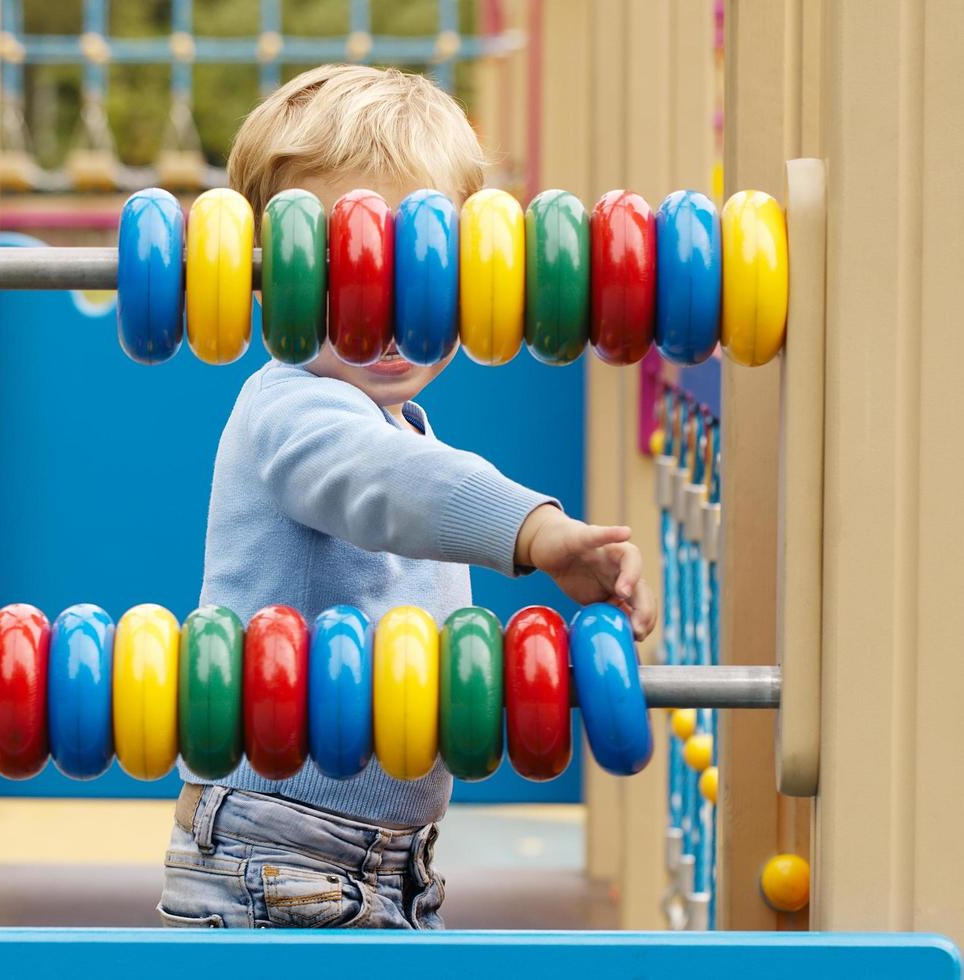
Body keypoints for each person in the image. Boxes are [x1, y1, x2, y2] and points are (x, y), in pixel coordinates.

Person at [157, 64, 657, 930]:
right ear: (268, 279)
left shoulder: (406, 430)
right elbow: (383, 487)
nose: (378, 307)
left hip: (388, 857)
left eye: (415, 269)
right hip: (279, 852)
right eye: (341, 271)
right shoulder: (291, 410)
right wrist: (536, 531)